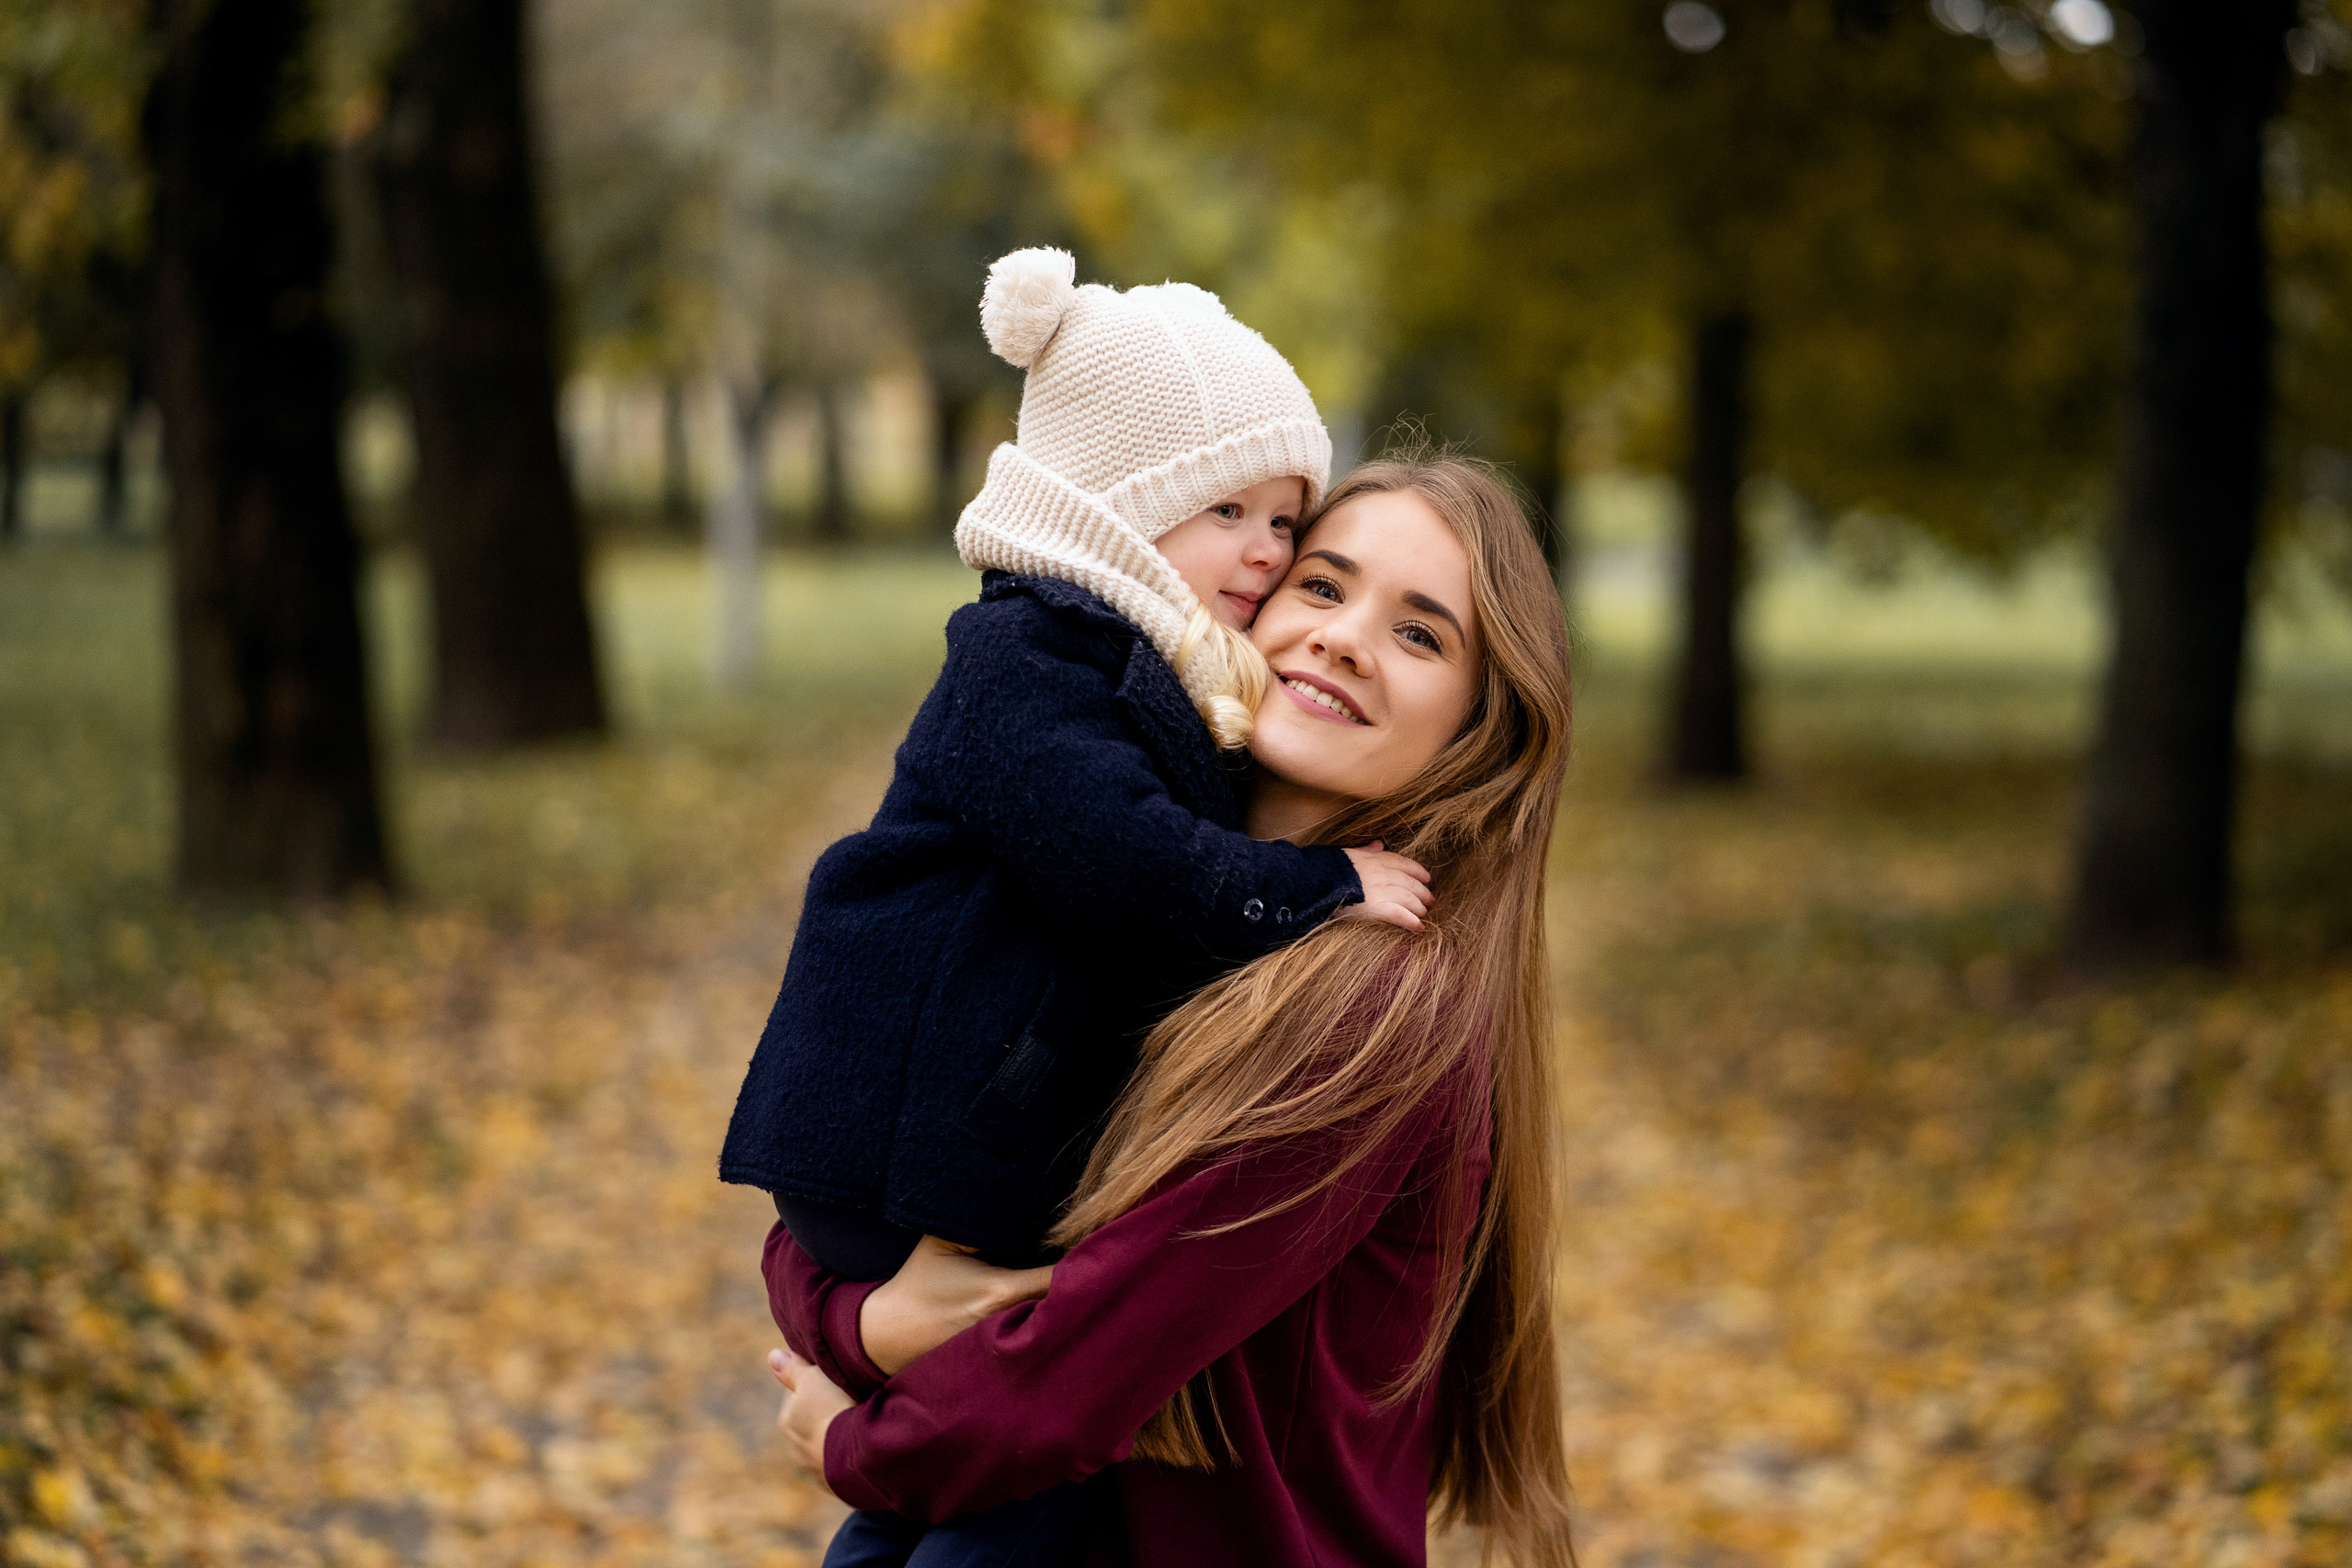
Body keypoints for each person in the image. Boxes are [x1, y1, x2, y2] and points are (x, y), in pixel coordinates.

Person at [719, 251, 1434, 1561]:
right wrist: (1326, 882)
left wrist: (854, 1366)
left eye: (1288, 522)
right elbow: (1134, 866)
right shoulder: (1027, 655)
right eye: (1235, 512)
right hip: (910, 1150)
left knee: (969, 1510)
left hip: (960, 1175)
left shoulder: (1150, 689)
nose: (1269, 555)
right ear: (1122, 504)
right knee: (1002, 1508)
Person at [766, 454, 1581, 1568]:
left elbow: (1075, 1360)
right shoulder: (1142, 901)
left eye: (1418, 634)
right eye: (1323, 586)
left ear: (1482, 728)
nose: (1344, 639)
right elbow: (851, 1154)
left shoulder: (1377, 1009)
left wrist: (856, 1443)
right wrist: (856, 1323)